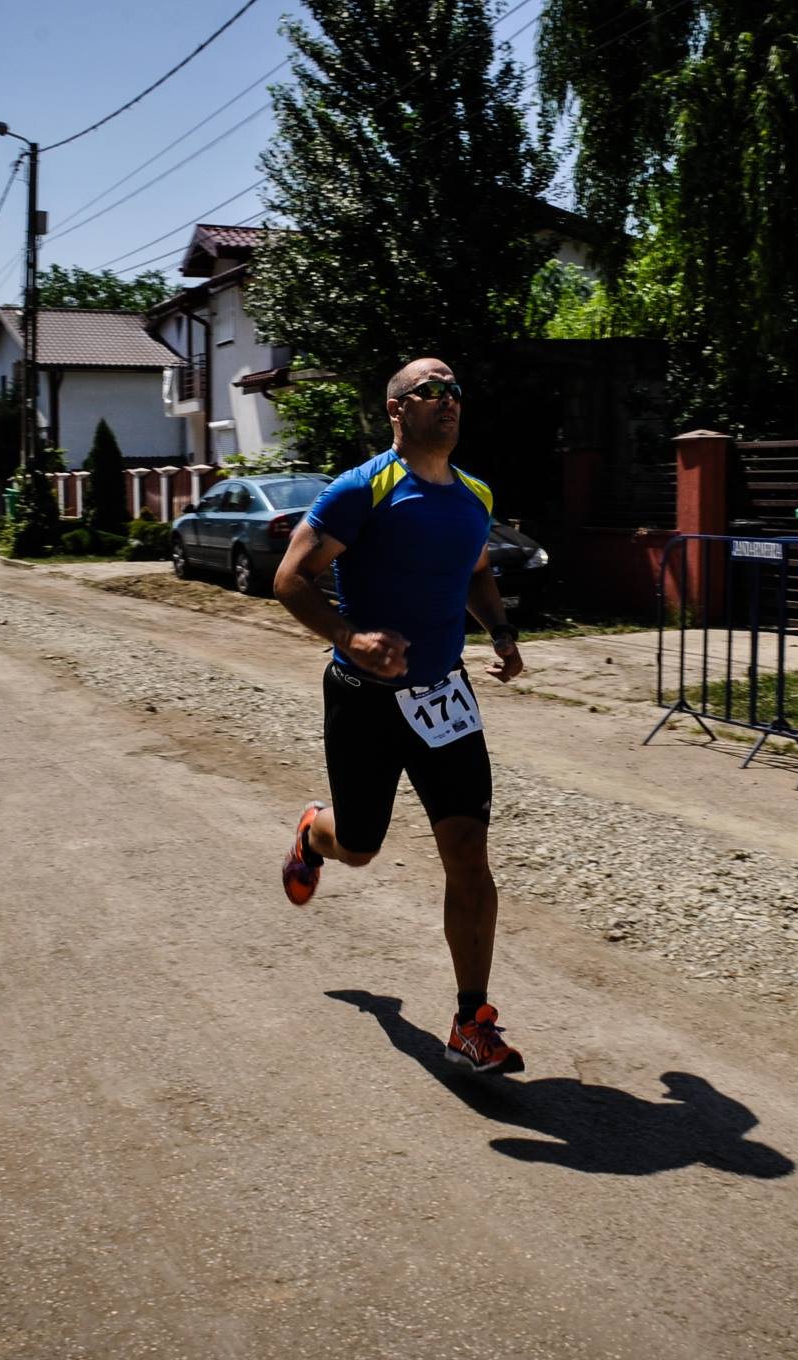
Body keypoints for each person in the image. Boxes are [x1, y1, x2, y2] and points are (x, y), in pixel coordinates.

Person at [271, 357, 527, 1076]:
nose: (447, 402)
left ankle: (471, 1020)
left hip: (443, 698)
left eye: (454, 390)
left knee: (468, 852)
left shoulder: (473, 494)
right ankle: (311, 835)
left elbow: (475, 570)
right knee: (359, 846)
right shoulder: (362, 489)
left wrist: (500, 632)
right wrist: (350, 637)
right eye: (429, 391)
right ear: (396, 410)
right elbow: (289, 578)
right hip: (363, 700)